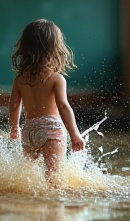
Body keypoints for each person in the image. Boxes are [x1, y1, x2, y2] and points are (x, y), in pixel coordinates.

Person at [9, 19, 84, 184]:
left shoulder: (20, 78)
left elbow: (14, 105)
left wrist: (14, 128)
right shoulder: (56, 78)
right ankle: (54, 208)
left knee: (30, 181)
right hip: (51, 130)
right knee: (54, 180)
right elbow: (63, 106)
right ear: (54, 48)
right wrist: (75, 134)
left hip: (29, 131)